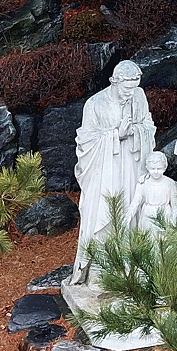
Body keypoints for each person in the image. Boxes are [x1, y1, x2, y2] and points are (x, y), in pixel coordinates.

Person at [71, 60, 155, 285]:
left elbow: (148, 125)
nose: (130, 93)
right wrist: (116, 134)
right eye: (126, 88)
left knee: (131, 206)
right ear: (114, 82)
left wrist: (135, 131)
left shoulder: (139, 96)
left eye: (135, 87)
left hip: (132, 163)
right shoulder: (95, 103)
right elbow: (86, 140)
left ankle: (132, 263)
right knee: (104, 209)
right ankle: (101, 268)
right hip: (105, 168)